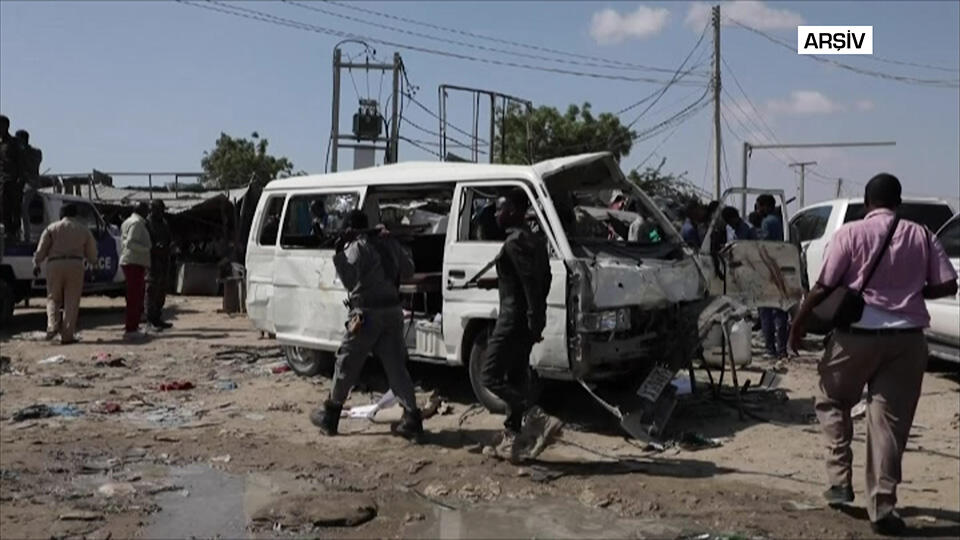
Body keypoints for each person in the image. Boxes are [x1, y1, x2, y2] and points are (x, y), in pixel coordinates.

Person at [788, 173, 958, 536]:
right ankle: (882, 507)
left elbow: (824, 285)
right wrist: (910, 294)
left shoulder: (850, 233)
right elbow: (948, 283)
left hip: (856, 338)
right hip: (909, 342)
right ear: (898, 202)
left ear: (867, 203)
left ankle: (839, 481)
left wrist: (798, 323)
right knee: (888, 427)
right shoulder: (922, 235)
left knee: (832, 399)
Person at [310, 210, 424, 441]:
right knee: (395, 366)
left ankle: (331, 413)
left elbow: (350, 281)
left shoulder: (357, 247)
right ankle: (412, 416)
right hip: (392, 312)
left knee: (347, 362)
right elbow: (409, 270)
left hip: (367, 314)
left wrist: (339, 252)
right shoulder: (388, 243)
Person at [481, 189, 562, 463]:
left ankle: (538, 417)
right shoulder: (537, 241)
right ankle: (513, 436)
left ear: (514, 210)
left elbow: (528, 281)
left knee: (488, 375)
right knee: (515, 377)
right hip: (525, 319)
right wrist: (536, 316)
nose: (495, 214)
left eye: (499, 208)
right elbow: (544, 279)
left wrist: (532, 316)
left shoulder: (514, 242)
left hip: (512, 319)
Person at [32, 204, 98, 344]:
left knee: (53, 298)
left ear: (61, 215)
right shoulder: (83, 230)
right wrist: (94, 264)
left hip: (54, 264)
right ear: (75, 215)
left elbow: (42, 248)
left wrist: (36, 263)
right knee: (71, 302)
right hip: (75, 265)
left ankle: (52, 325)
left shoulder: (51, 228)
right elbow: (92, 253)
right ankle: (67, 336)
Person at [755, 194, 788, 358]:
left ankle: (770, 349)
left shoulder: (767, 222)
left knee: (766, 310)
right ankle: (782, 349)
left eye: (759, 206)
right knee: (781, 310)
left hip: (768, 270)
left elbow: (763, 246)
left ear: (765, 206)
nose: (758, 210)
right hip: (781, 269)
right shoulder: (782, 221)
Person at [120, 202, 152, 340]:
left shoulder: (128, 221)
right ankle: (131, 329)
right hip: (134, 262)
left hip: (131, 261)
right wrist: (148, 249)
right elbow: (130, 242)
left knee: (134, 296)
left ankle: (133, 325)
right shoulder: (137, 223)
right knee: (135, 298)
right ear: (142, 211)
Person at [146, 200, 173, 330]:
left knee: (161, 291)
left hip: (164, 260)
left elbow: (169, 239)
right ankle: (150, 320)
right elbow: (146, 242)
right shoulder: (147, 223)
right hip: (152, 260)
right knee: (151, 291)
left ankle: (158, 317)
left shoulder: (164, 223)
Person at [15, 130, 42, 241]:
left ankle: (26, 237)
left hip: (31, 182)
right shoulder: (17, 152)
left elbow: (33, 166)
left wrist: (24, 153)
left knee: (23, 207)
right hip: (18, 182)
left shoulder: (35, 152)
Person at [0, 114, 24, 238]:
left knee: (14, 208)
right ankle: (7, 231)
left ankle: (14, 232)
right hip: (3, 180)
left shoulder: (14, 142)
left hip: (13, 179)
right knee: (4, 207)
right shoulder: (1, 143)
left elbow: (20, 161)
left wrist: (20, 178)